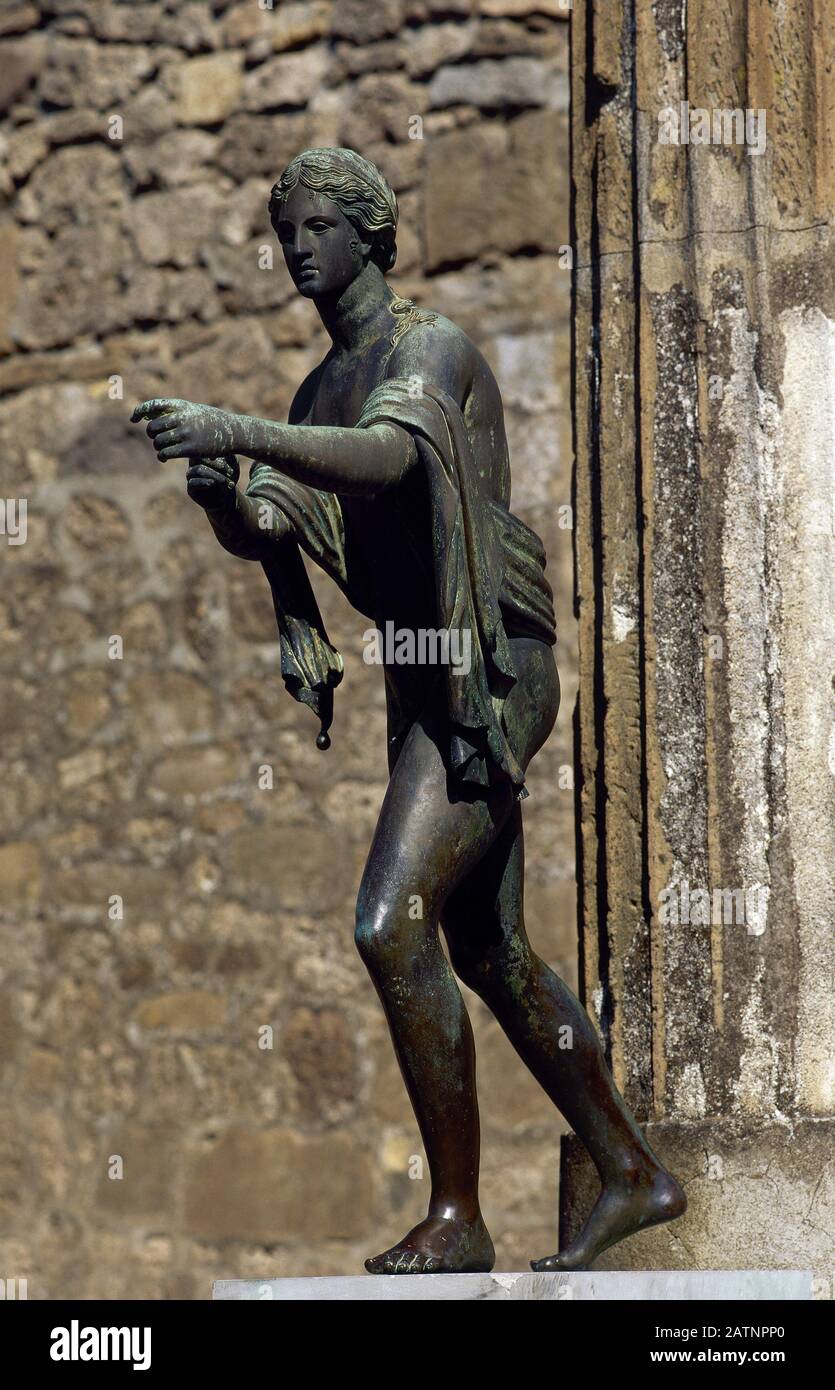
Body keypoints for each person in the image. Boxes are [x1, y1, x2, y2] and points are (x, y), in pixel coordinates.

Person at [132, 147, 685, 1274]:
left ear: (371, 233)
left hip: (489, 664)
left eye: (320, 225)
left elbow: (388, 459)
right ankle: (630, 1170)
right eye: (285, 229)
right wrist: (227, 507)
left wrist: (236, 432)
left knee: (387, 921)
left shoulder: (426, 350)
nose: (298, 247)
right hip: (420, 673)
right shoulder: (311, 394)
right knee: (486, 948)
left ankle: (458, 1215)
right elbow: (287, 526)